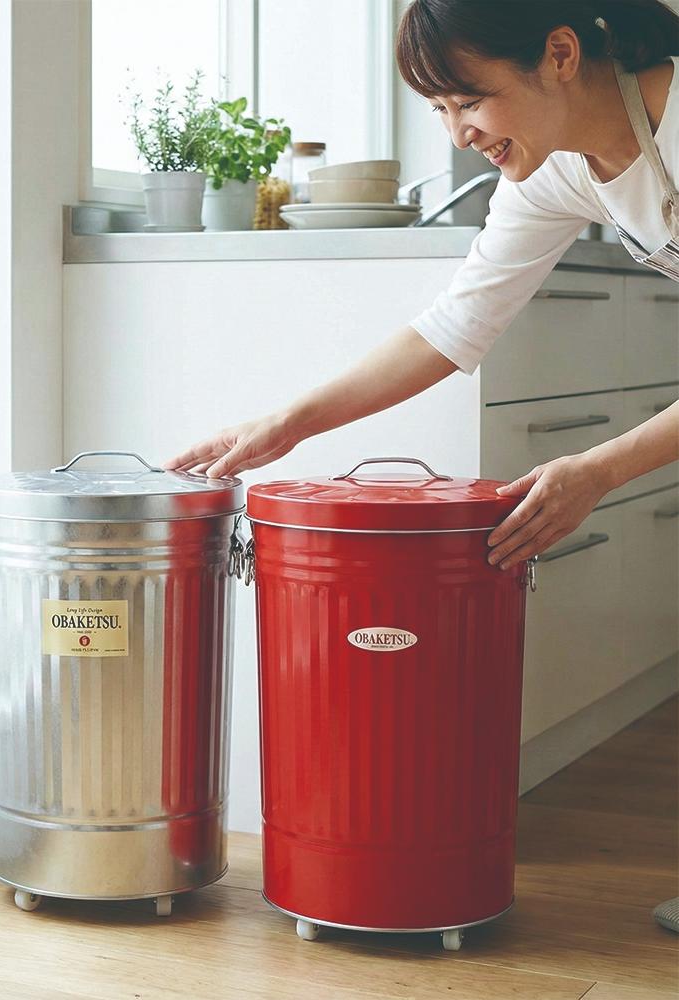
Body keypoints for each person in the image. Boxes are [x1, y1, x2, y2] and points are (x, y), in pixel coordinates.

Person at [163, 0, 679, 932]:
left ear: (561, 55)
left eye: (468, 101)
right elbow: (452, 327)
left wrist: (600, 468)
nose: (458, 134)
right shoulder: (559, 167)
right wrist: (290, 423)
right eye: (438, 110)